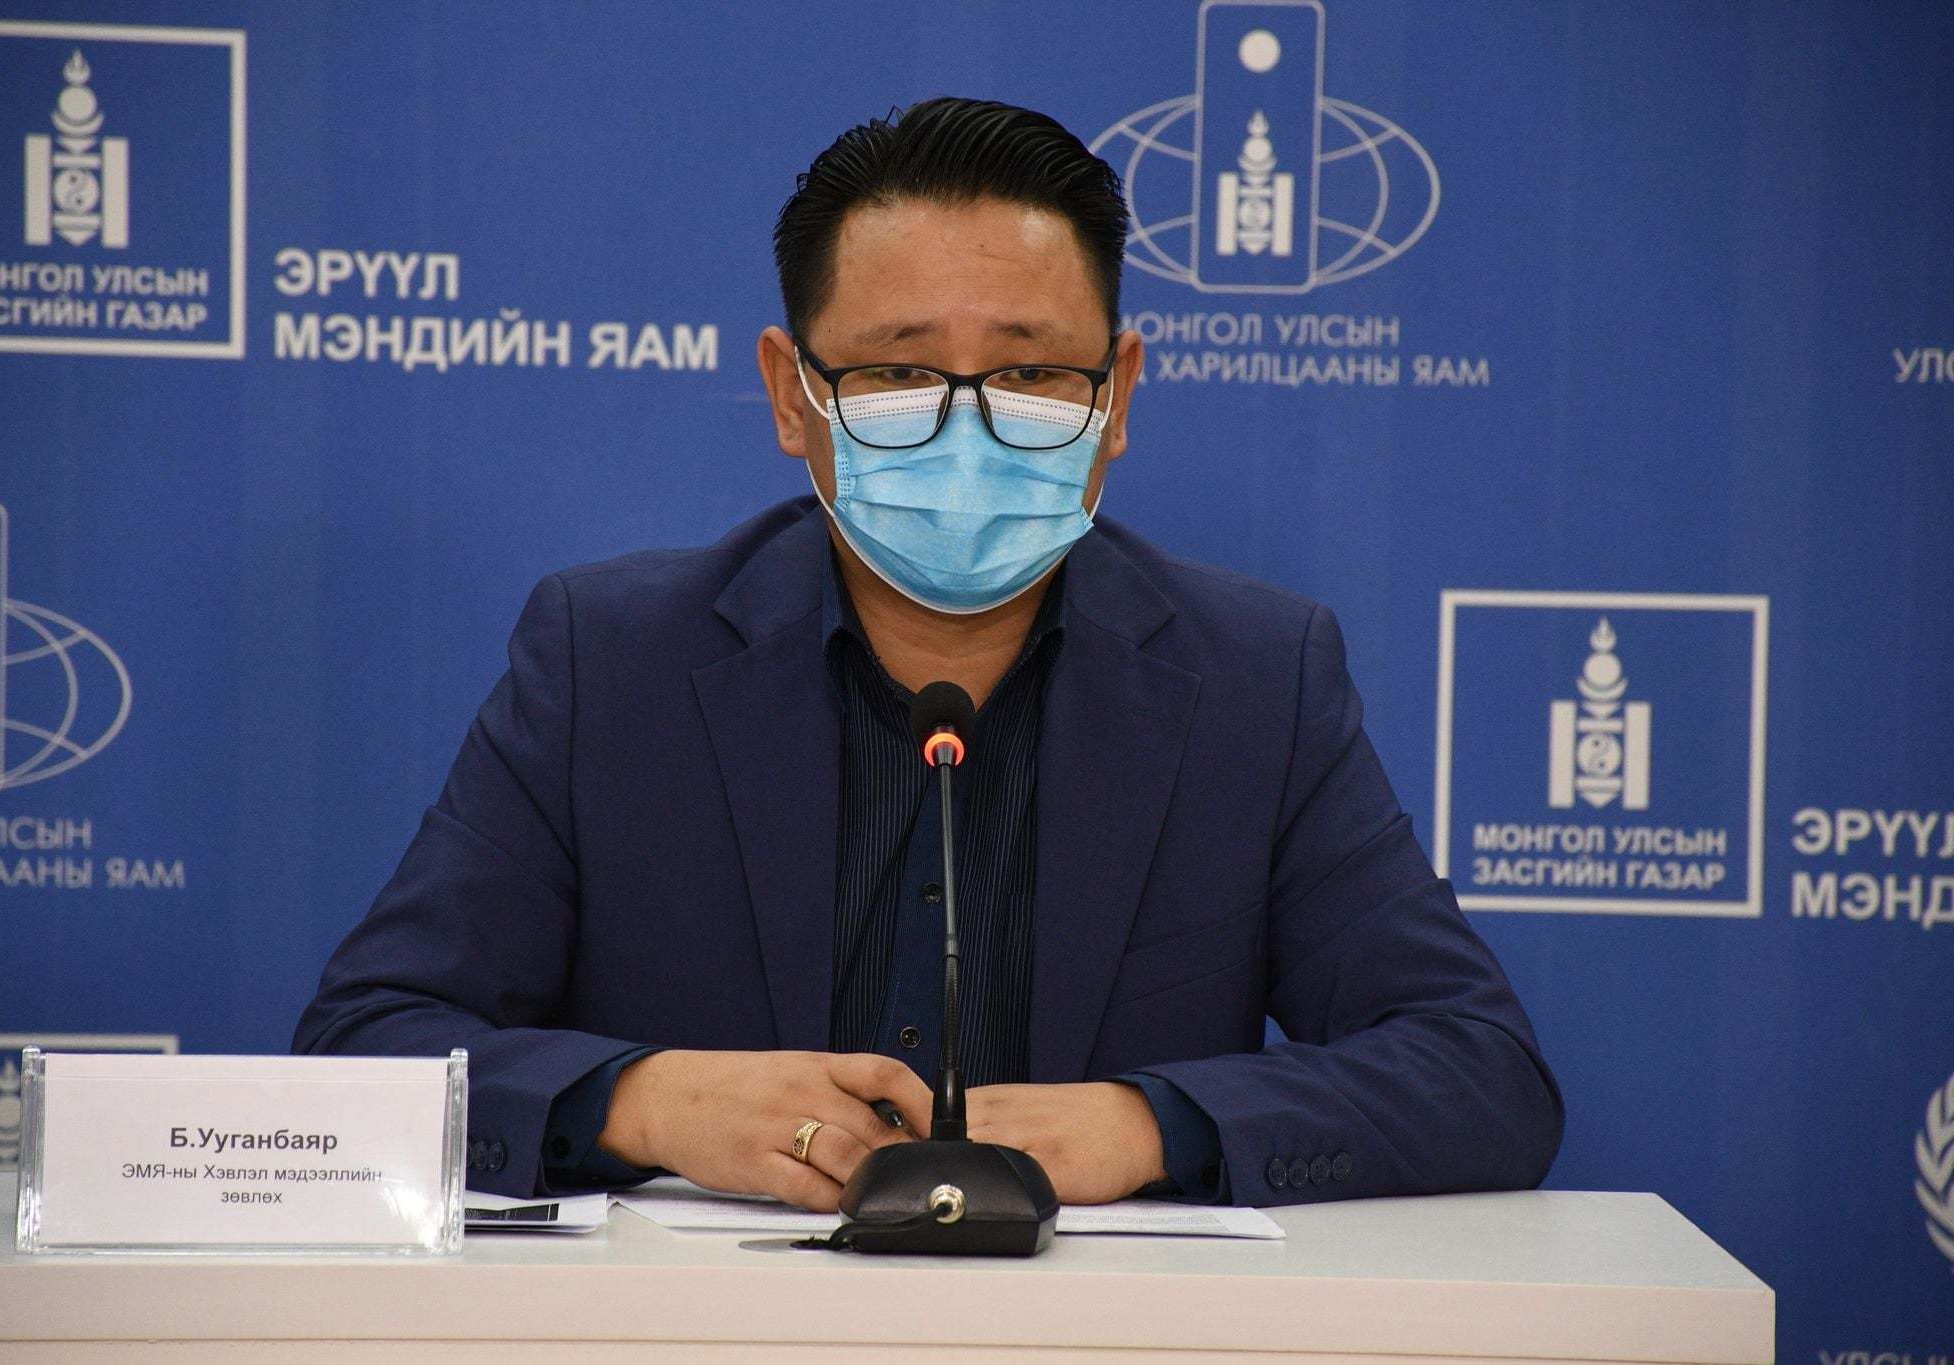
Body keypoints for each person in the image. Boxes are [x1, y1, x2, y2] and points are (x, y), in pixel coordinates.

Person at [294, 97, 1562, 1212]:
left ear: (1117, 393)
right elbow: (361, 1048)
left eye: (1030, 374)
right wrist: (647, 1101)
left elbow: (1481, 1073)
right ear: (791, 394)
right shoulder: (611, 663)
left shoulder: (1252, 683)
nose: (968, 431)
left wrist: (1147, 1126)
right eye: (900, 374)